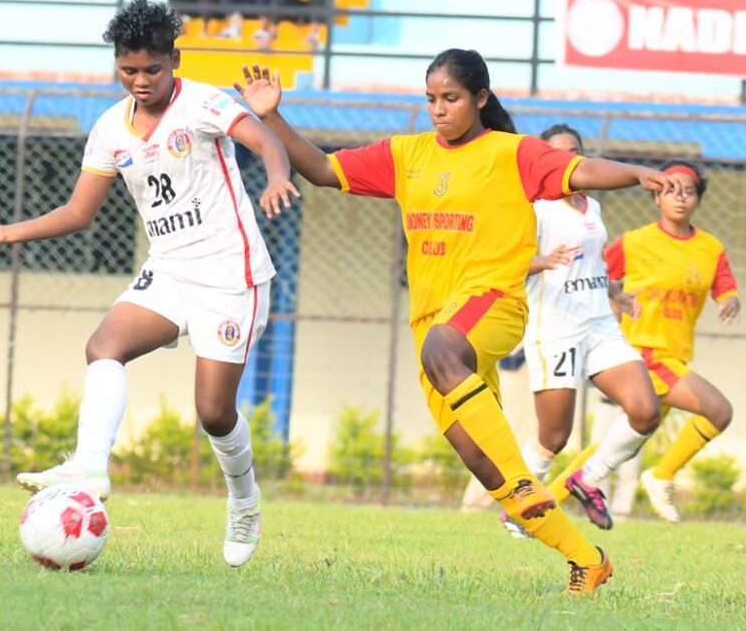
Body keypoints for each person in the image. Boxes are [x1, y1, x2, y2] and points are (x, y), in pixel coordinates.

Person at [234, 50, 680, 594]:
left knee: (445, 356)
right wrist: (272, 117)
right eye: (431, 99)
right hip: (434, 329)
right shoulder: (406, 153)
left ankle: (524, 470)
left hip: (491, 305)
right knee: (487, 467)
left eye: (451, 98)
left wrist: (636, 173)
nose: (439, 110)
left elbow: (579, 171)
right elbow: (325, 169)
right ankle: (588, 561)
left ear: (480, 100)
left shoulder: (511, 153)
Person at [0, 0, 299, 568]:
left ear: (174, 61)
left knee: (213, 412)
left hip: (229, 276)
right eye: (128, 70)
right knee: (104, 346)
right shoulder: (110, 128)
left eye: (152, 70)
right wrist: (4, 234)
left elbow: (265, 141)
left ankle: (244, 500)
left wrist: (277, 179)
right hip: (169, 268)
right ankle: (91, 464)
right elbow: (78, 212)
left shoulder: (204, 103)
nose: (140, 82)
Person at [460, 124, 660, 535]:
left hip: (599, 324)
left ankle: (587, 479)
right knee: (554, 436)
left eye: (575, 152)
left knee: (645, 410)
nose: (567, 159)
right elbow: (498, 260)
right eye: (557, 154)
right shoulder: (533, 207)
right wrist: (543, 261)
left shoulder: (592, 206)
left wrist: (615, 293)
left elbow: (592, 264)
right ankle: (515, 508)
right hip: (556, 327)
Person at [597, 160, 741, 524]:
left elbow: (725, 289)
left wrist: (730, 302)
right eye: (670, 189)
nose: (680, 197)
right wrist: (615, 302)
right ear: (656, 196)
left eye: (688, 191)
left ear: (698, 199)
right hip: (643, 353)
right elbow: (595, 275)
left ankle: (547, 500)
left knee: (619, 446)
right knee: (719, 410)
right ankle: (661, 477)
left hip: (675, 357)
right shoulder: (635, 241)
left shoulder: (710, 248)